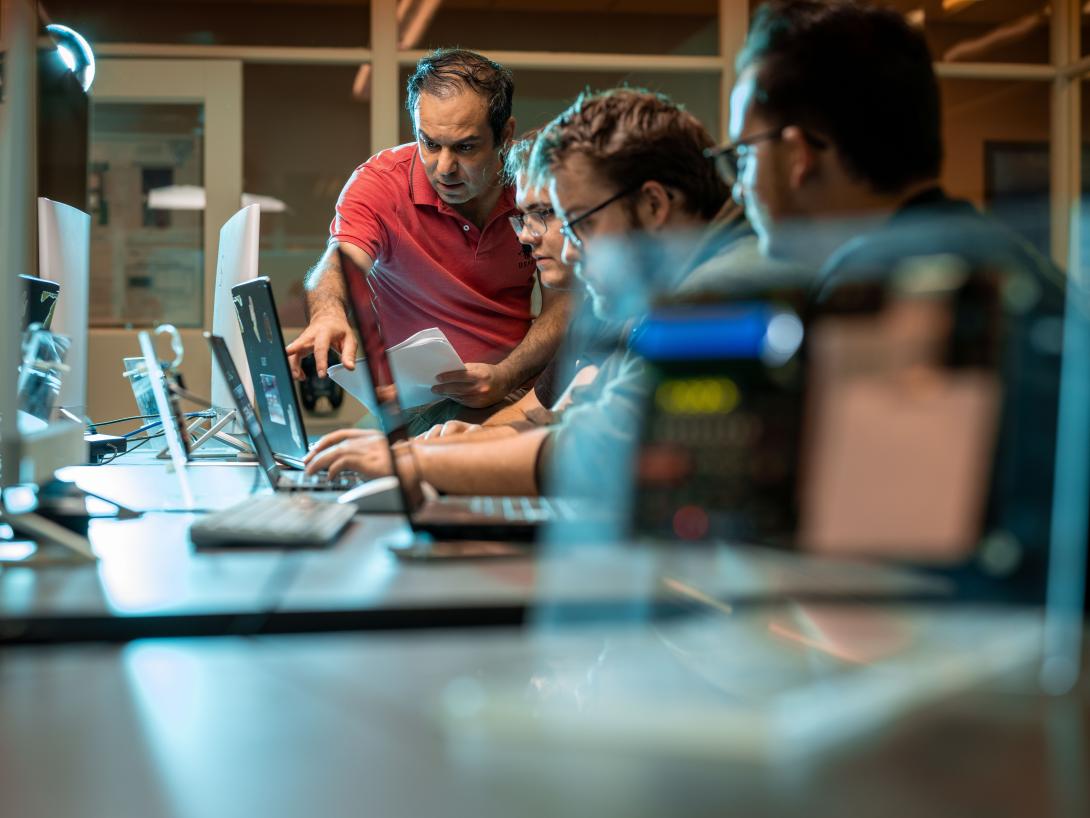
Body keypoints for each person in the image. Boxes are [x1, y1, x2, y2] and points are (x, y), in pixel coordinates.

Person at [723, 0, 1065, 584]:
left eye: (742, 156)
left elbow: (857, 569)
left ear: (798, 155)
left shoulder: (878, 290)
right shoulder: (1009, 262)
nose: (740, 188)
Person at [304, 88, 740, 498]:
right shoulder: (667, 296)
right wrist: (438, 450)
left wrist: (417, 460)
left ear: (653, 206)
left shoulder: (719, 296)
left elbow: (599, 452)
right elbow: (570, 425)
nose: (569, 250)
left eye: (581, 223)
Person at [285, 48, 571, 434]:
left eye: (465, 147)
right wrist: (327, 312)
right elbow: (339, 264)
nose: (444, 168)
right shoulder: (381, 184)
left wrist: (505, 375)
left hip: (515, 391)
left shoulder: (530, 189)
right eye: (430, 143)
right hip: (413, 405)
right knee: (339, 459)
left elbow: (562, 305)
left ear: (504, 135)